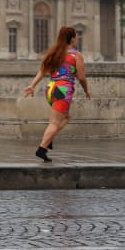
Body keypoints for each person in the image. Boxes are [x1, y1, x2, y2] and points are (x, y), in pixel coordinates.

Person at [22, 26, 91, 162]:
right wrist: (86, 90)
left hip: (51, 88)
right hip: (63, 90)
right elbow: (82, 78)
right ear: (72, 39)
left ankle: (49, 139)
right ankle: (42, 149)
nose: (77, 39)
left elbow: (42, 71)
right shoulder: (76, 55)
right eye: (76, 36)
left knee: (65, 117)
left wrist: (32, 85)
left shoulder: (55, 53)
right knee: (55, 122)